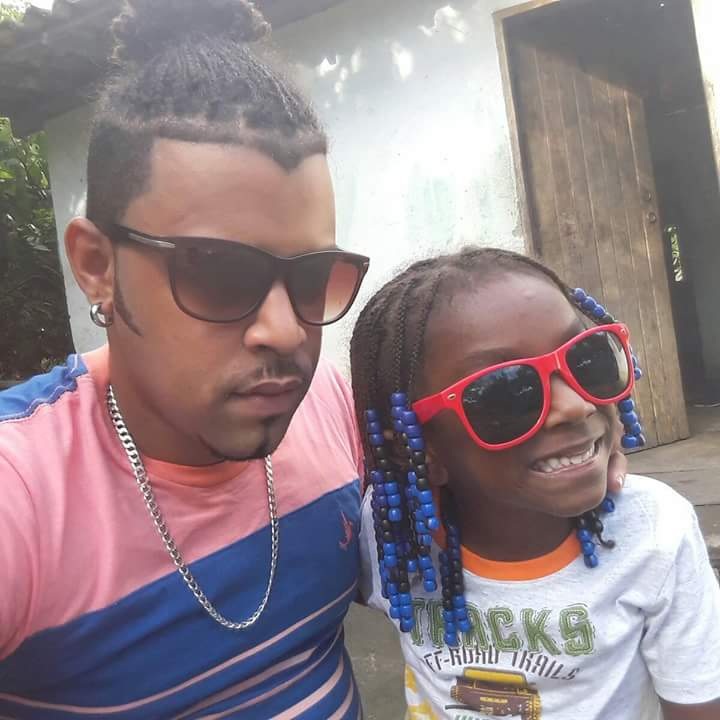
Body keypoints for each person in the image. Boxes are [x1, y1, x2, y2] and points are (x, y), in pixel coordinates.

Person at [0, 1, 626, 717]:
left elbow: (475, 501)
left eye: (312, 278)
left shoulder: (331, 407)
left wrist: (578, 435)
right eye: (218, 272)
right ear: (96, 266)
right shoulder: (23, 493)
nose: (283, 330)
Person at [352, 247, 720, 720]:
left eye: (587, 360)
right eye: (509, 393)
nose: (575, 406)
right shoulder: (393, 534)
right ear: (417, 450)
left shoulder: (654, 532)